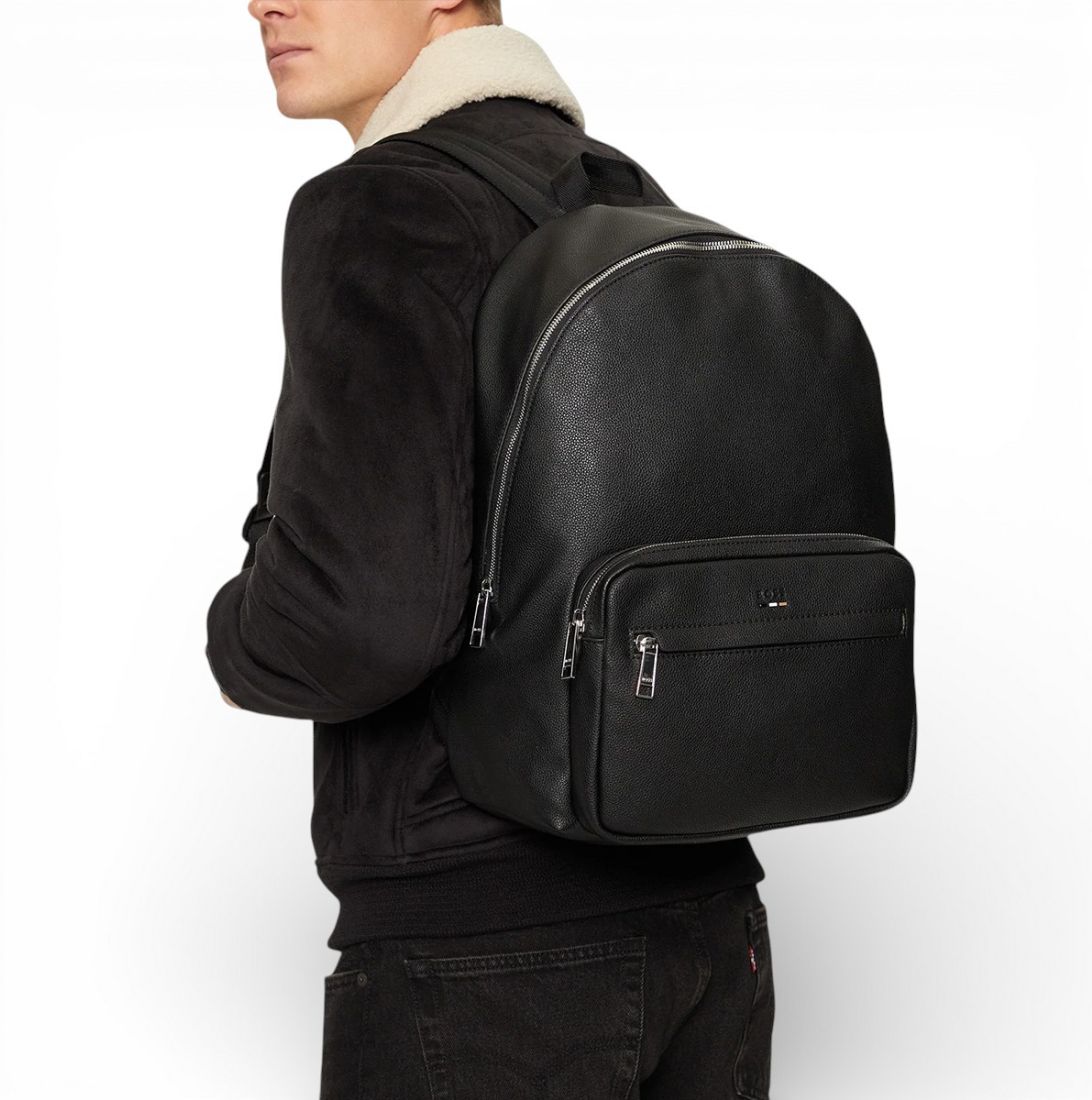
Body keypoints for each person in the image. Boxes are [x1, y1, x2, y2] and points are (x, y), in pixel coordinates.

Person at [208, 2, 776, 1096]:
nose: (262, 2)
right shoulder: (622, 193)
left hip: (483, 954)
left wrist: (237, 641)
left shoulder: (384, 203)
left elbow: (359, 619)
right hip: (709, 919)